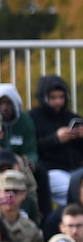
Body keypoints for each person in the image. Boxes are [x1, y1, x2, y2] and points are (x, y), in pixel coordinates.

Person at [32, 75, 83, 204]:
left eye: (61, 97)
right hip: (50, 171)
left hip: (76, 169)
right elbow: (32, 147)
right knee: (74, 190)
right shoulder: (33, 118)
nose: (58, 102)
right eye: (53, 98)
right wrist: (55, 139)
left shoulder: (72, 117)